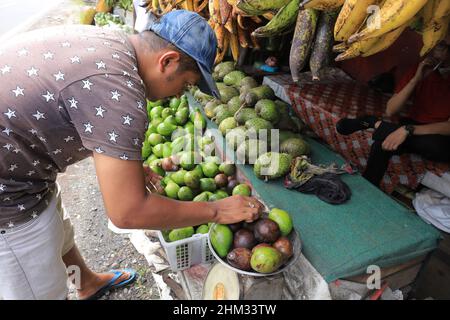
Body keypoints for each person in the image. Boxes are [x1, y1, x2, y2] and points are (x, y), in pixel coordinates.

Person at [0, 10, 263, 300]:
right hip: (8, 195)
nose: (179, 95)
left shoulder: (113, 43)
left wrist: (130, 166)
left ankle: (86, 283)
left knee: (57, 228)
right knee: (37, 283)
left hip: (22, 162)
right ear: (168, 61)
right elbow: (127, 213)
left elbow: (74, 105)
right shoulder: (121, 93)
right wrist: (217, 210)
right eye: (186, 84)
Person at [336, 40, 450, 187]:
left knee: (434, 145)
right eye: (439, 45)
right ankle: (368, 187)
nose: (441, 51)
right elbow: (391, 110)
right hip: (413, 125)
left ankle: (373, 122)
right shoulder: (421, 69)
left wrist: (407, 130)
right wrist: (415, 80)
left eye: (446, 48)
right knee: (384, 141)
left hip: (440, 136)